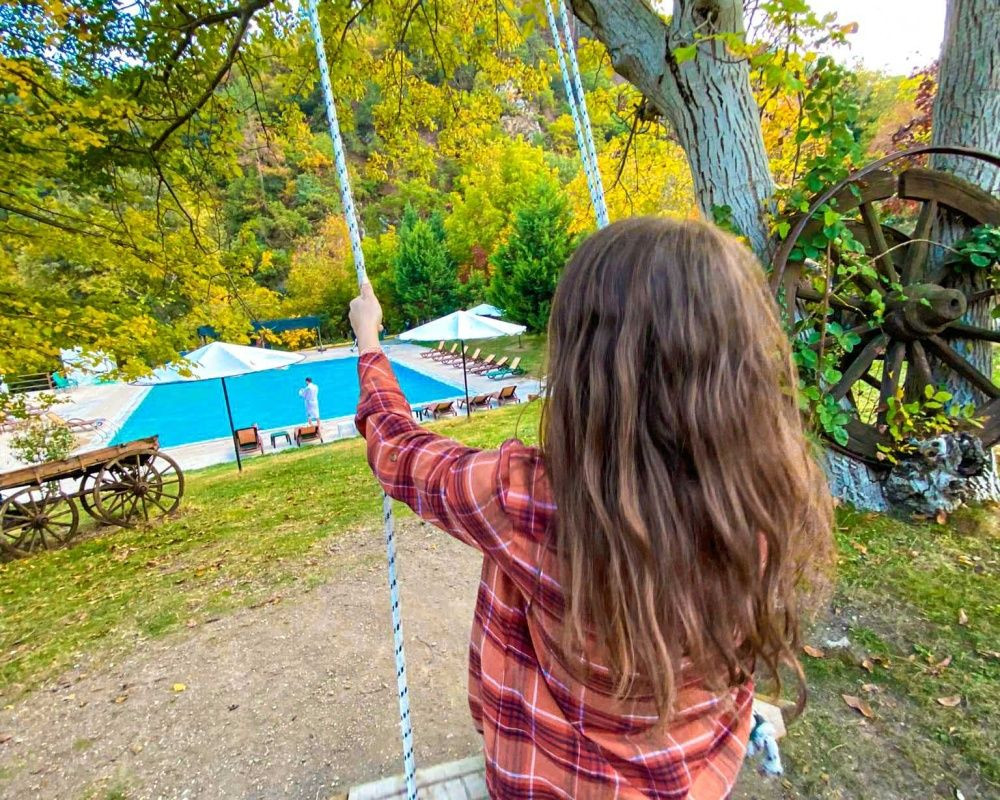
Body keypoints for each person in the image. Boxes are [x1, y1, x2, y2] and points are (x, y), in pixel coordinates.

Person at [349, 218, 833, 798]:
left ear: (586, 365)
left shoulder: (530, 499)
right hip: (694, 774)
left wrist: (370, 345)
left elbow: (401, 452)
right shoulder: (770, 492)